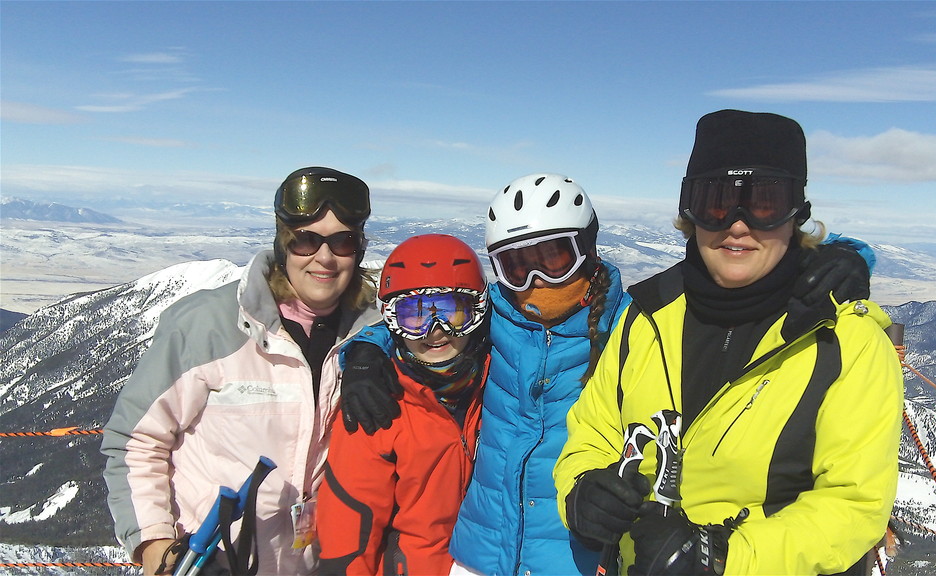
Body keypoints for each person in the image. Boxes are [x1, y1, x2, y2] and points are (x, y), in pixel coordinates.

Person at [340, 171, 874, 576]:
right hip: (478, 555)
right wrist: (365, 350)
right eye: (514, 264)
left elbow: (725, 303)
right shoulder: (492, 318)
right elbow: (425, 319)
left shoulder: (630, 326)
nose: (534, 281)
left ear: (588, 251)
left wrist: (846, 257)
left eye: (555, 257)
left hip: (574, 557)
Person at [553, 110, 904, 576]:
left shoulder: (844, 343)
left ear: (796, 214)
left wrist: (724, 559)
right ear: (689, 213)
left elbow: (854, 505)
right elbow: (593, 434)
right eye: (716, 202)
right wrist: (581, 493)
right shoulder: (646, 317)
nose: (738, 225)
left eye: (764, 203)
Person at [101, 167, 381, 576]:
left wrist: (378, 349)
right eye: (306, 240)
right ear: (283, 243)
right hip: (210, 561)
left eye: (343, 241)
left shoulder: (371, 337)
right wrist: (158, 549)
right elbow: (135, 441)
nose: (325, 257)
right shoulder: (209, 326)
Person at [317, 234, 490, 575]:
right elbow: (349, 532)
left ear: (478, 312)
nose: (435, 332)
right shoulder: (377, 405)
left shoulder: (499, 382)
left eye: (453, 312)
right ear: (392, 322)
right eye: (415, 316)